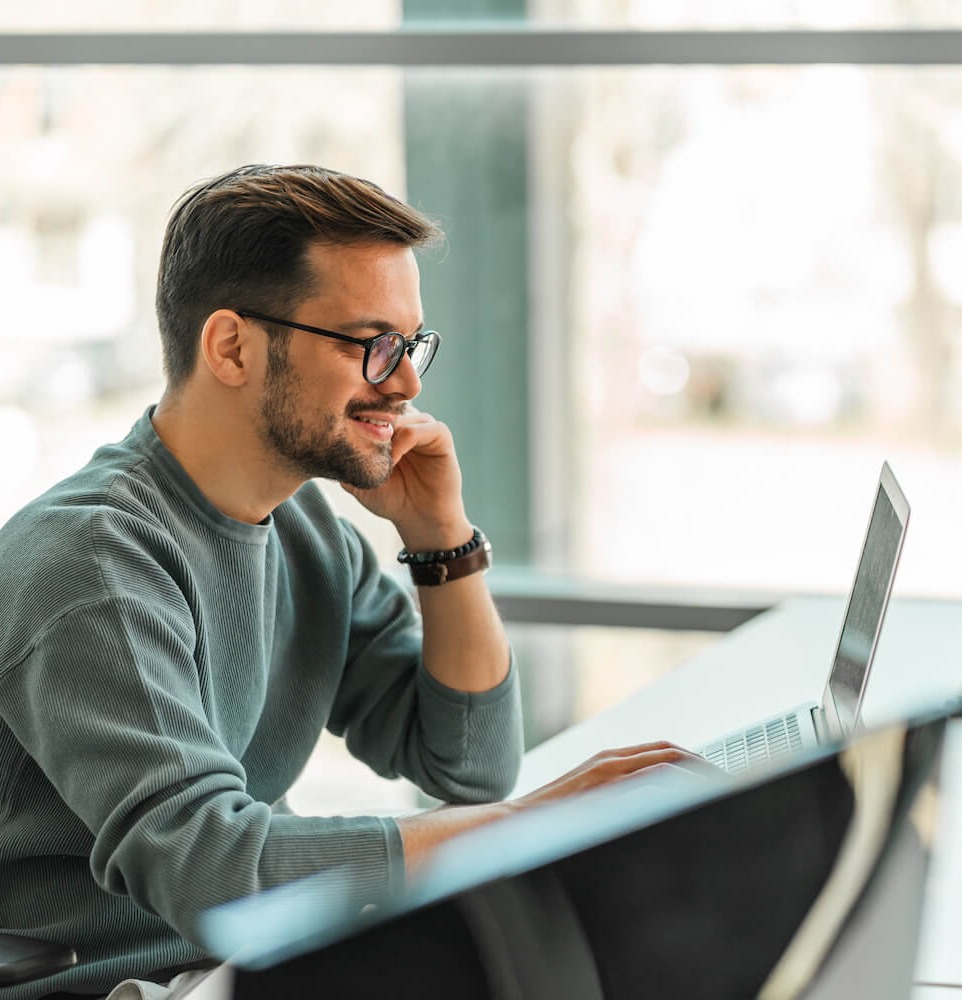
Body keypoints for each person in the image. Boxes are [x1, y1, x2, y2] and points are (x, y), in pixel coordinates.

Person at [0, 164, 705, 1000]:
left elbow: (470, 765)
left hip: (265, 961)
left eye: (410, 346)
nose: (405, 382)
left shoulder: (302, 530)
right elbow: (213, 870)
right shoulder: (93, 563)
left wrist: (442, 539)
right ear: (231, 346)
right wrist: (530, 827)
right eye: (372, 343)